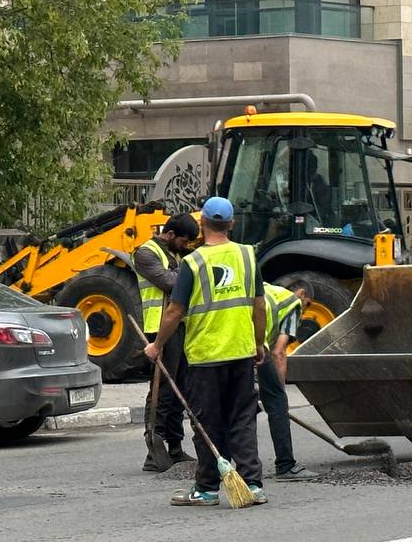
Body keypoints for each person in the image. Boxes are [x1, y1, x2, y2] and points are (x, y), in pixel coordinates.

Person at [145, 196, 269, 508]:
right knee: (243, 418)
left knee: (206, 422)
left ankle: (207, 488)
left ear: (202, 225)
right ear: (232, 224)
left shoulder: (193, 263)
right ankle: (252, 484)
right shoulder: (247, 256)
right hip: (240, 351)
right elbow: (258, 305)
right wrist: (258, 343)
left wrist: (157, 345)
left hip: (206, 354)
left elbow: (175, 311)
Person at [133, 212, 200, 472]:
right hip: (159, 329)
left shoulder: (177, 255)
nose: (186, 247)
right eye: (184, 241)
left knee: (180, 387)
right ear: (170, 234)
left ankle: (175, 446)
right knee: (162, 390)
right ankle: (154, 448)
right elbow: (170, 282)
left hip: (180, 327)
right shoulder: (146, 253)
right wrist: (184, 275)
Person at [258, 281, 317, 481]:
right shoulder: (293, 303)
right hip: (253, 346)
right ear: (301, 293)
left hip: (229, 344)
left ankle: (235, 466)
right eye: (307, 304)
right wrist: (279, 392)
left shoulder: (267, 288)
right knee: (276, 402)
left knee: (241, 406)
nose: (304, 310)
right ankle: (286, 465)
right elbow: (279, 352)